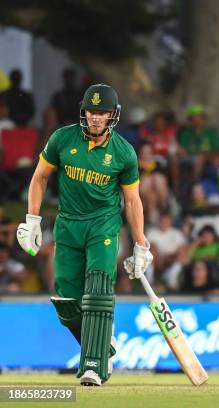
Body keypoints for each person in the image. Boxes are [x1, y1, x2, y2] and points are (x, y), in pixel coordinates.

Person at [15, 84, 153, 386]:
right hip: (68, 224)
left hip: (102, 224)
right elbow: (39, 178)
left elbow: (132, 200)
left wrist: (140, 244)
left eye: (102, 113)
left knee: (98, 289)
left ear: (113, 116)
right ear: (83, 111)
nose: (95, 118)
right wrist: (33, 219)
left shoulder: (123, 152)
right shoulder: (62, 139)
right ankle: (106, 345)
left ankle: (94, 366)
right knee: (66, 302)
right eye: (91, 111)